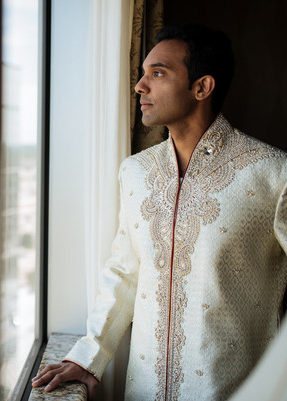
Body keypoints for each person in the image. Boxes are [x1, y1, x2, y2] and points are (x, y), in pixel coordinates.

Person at [32, 23, 287, 400]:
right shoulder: (135, 172)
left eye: (158, 73)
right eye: (142, 74)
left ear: (202, 87)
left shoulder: (272, 173)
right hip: (143, 391)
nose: (140, 86)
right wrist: (89, 357)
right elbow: (124, 270)